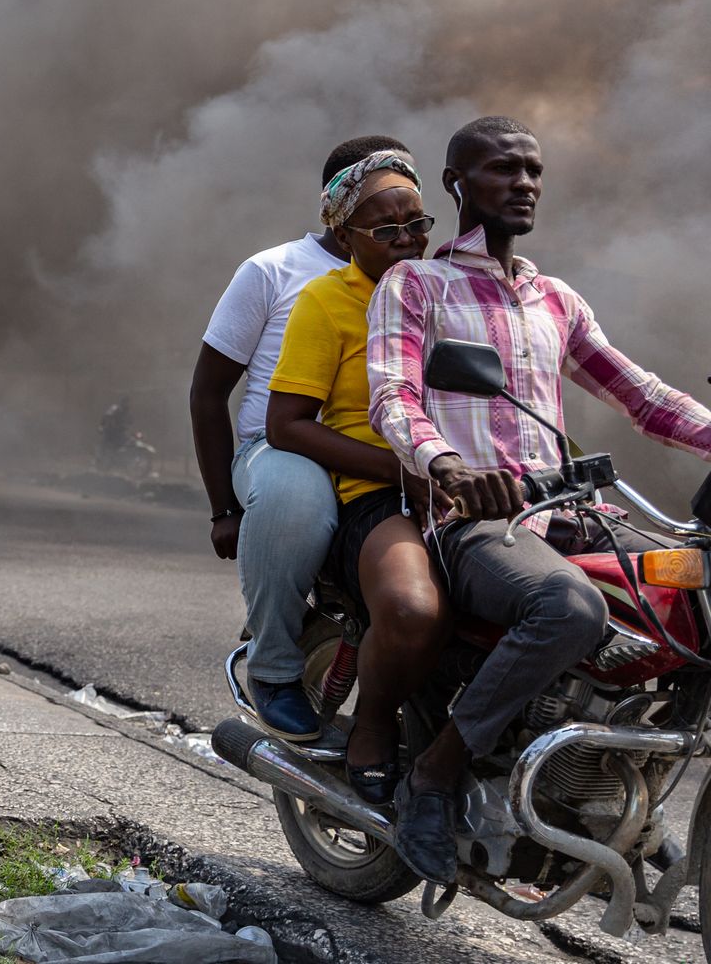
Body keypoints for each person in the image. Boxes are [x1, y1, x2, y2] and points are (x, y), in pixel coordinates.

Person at [368, 116, 711, 880]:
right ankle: (439, 768)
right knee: (569, 609)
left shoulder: (553, 298)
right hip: (475, 523)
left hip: (572, 516)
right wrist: (448, 466)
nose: (524, 184)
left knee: (696, 601)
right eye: (503, 170)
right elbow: (393, 394)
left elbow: (644, 398)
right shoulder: (417, 283)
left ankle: (621, 790)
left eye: (533, 171)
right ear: (458, 184)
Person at [189, 135, 409, 742]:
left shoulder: (421, 277)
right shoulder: (273, 271)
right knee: (296, 499)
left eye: (408, 205)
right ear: (341, 212)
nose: (398, 219)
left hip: (386, 448)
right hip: (284, 446)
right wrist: (223, 510)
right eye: (378, 200)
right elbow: (209, 392)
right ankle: (276, 667)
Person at [264, 150, 448, 803]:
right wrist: (402, 472)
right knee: (409, 607)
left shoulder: (452, 294)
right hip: (377, 494)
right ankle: (371, 731)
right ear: (344, 237)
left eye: (416, 224)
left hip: (461, 488)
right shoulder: (326, 301)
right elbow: (286, 424)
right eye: (385, 230)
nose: (407, 241)